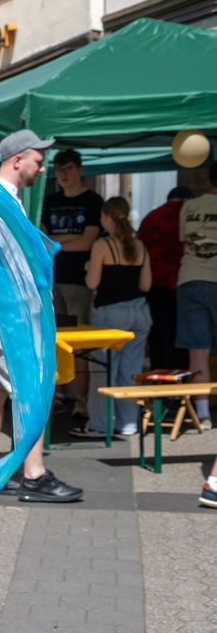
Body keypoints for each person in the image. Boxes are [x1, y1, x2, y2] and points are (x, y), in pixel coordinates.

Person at [0, 130, 82, 503]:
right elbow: (3, 260)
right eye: (37, 158)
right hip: (1, 315)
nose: (42, 166)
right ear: (17, 160)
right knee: (29, 391)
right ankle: (34, 474)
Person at [70, 197, 152, 438]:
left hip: (110, 313)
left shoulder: (102, 245)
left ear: (105, 217)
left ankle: (100, 425)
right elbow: (146, 285)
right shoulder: (140, 246)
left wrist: (88, 268)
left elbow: (92, 282)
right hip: (140, 311)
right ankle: (128, 423)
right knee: (131, 369)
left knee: (103, 370)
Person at [41, 149, 104, 418]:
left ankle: (79, 398)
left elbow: (88, 241)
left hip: (79, 279)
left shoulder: (92, 200)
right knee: (51, 339)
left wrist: (58, 241)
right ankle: (57, 395)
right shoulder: (50, 200)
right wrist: (65, 242)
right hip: (51, 278)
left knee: (79, 344)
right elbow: (43, 239)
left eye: (67, 168)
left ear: (79, 169)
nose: (63, 174)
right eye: (58, 168)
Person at [177, 160, 217, 430]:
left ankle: (202, 414)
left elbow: (185, 241)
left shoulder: (189, 206)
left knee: (198, 350)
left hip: (190, 278)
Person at [137, 187, 192, 370]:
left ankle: (159, 383)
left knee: (157, 338)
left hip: (152, 284)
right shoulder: (188, 214)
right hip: (178, 283)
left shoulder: (151, 217)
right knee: (178, 339)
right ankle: (178, 389)